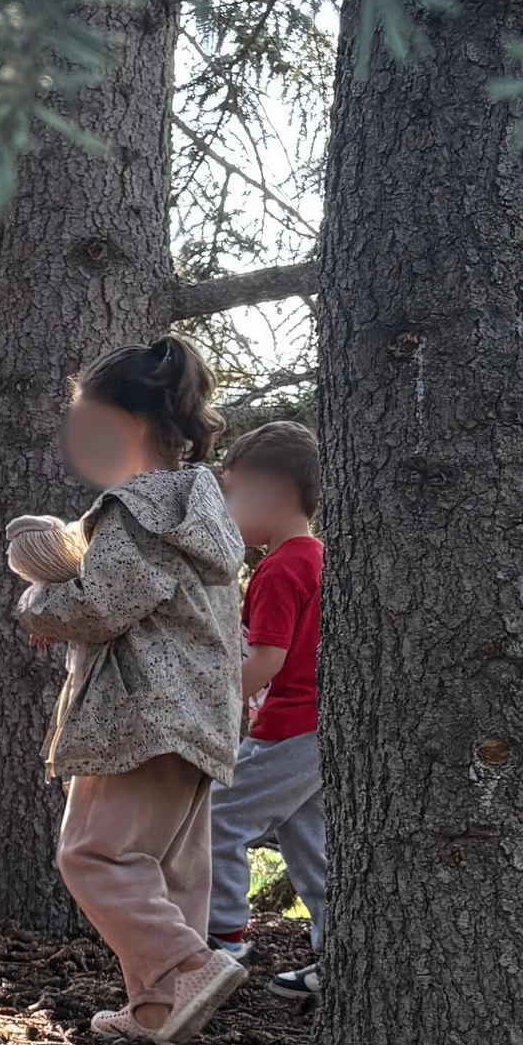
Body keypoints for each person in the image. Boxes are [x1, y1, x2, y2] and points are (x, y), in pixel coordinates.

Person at [9, 337, 247, 1045]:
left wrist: (39, 603)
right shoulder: (203, 506)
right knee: (170, 871)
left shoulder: (134, 508)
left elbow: (104, 601)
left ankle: (184, 966)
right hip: (203, 716)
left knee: (94, 855)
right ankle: (156, 1011)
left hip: (141, 716)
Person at [207, 419, 327, 999]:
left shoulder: (280, 568)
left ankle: (222, 939)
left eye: (234, 492)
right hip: (323, 730)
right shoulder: (318, 558)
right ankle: (339, 956)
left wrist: (210, 694)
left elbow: (268, 660)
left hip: (291, 726)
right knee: (315, 848)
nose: (227, 509)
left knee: (217, 816)